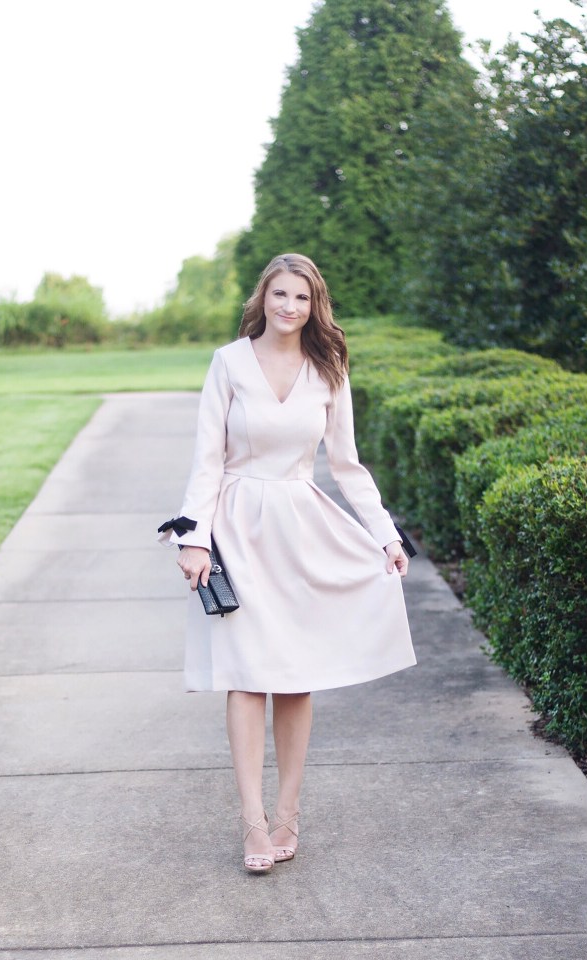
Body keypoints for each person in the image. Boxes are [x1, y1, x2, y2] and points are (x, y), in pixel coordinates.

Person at [159, 253, 416, 873]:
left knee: (296, 676)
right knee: (246, 676)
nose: (289, 307)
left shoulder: (329, 368)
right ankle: (252, 823)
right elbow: (207, 460)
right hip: (237, 527)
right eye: (279, 294)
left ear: (314, 304)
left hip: (301, 532)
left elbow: (347, 464)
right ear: (263, 297)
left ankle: (287, 814)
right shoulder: (228, 362)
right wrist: (194, 538)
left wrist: (386, 536)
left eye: (301, 297)